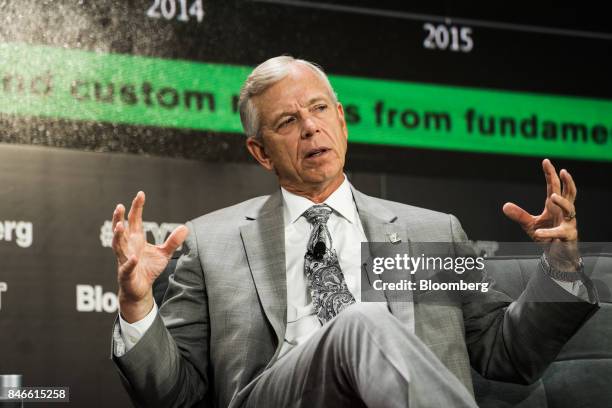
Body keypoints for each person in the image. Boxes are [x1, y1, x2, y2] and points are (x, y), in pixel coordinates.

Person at [110, 56, 598, 408]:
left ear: (342, 121)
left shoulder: (427, 230)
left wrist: (561, 266)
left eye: (320, 110)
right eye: (287, 121)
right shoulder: (211, 243)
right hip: (282, 395)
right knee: (362, 321)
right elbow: (173, 394)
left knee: (367, 324)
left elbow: (504, 352)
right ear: (261, 153)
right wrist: (137, 306)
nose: (310, 128)